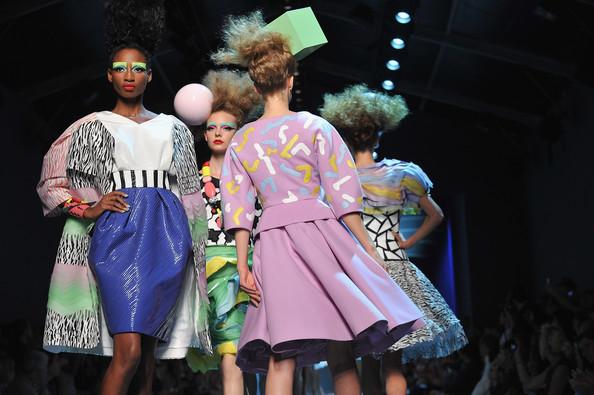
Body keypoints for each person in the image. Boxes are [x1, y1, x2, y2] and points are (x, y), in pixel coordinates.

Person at [213, 11, 425, 395]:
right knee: (341, 346)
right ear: (291, 80)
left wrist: (243, 263)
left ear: (257, 86)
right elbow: (344, 195)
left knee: (282, 352)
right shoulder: (315, 127)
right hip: (322, 237)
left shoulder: (242, 141)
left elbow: (238, 205)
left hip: (273, 244)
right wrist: (368, 249)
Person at [36, 1, 210, 393]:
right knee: (128, 351)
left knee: (146, 360)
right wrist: (88, 207)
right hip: (118, 236)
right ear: (109, 76)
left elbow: (190, 192)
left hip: (167, 238)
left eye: (137, 68)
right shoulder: (92, 126)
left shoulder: (172, 128)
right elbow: (51, 179)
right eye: (120, 68)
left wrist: (199, 249)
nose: (128, 75)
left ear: (150, 76)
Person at [320, 84, 468, 395]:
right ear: (379, 134)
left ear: (346, 135)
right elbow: (436, 214)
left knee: (368, 362)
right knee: (392, 362)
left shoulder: (338, 179)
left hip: (358, 275)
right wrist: (407, 243)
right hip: (395, 271)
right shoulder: (401, 173)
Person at [185, 69, 262, 395]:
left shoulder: (252, 179)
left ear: (239, 133)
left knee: (248, 357)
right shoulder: (189, 183)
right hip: (206, 276)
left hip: (247, 271)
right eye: (211, 127)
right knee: (231, 357)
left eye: (227, 127)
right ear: (203, 135)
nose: (218, 133)